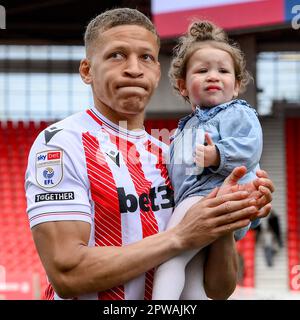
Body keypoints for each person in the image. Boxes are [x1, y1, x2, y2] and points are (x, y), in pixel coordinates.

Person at [25, 8, 274, 300]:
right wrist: (179, 237)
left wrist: (226, 211)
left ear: (157, 71)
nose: (133, 68)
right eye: (116, 55)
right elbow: (67, 274)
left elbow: (219, 289)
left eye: (146, 57)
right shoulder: (61, 144)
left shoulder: (172, 155)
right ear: (87, 71)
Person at [152, 20, 263, 300]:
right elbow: (178, 170)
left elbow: (251, 148)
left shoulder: (237, 112)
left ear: (236, 86)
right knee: (192, 273)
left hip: (207, 197)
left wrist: (218, 155)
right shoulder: (185, 128)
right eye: (202, 71)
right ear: (183, 86)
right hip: (198, 200)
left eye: (223, 71)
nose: (213, 76)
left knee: (170, 257)